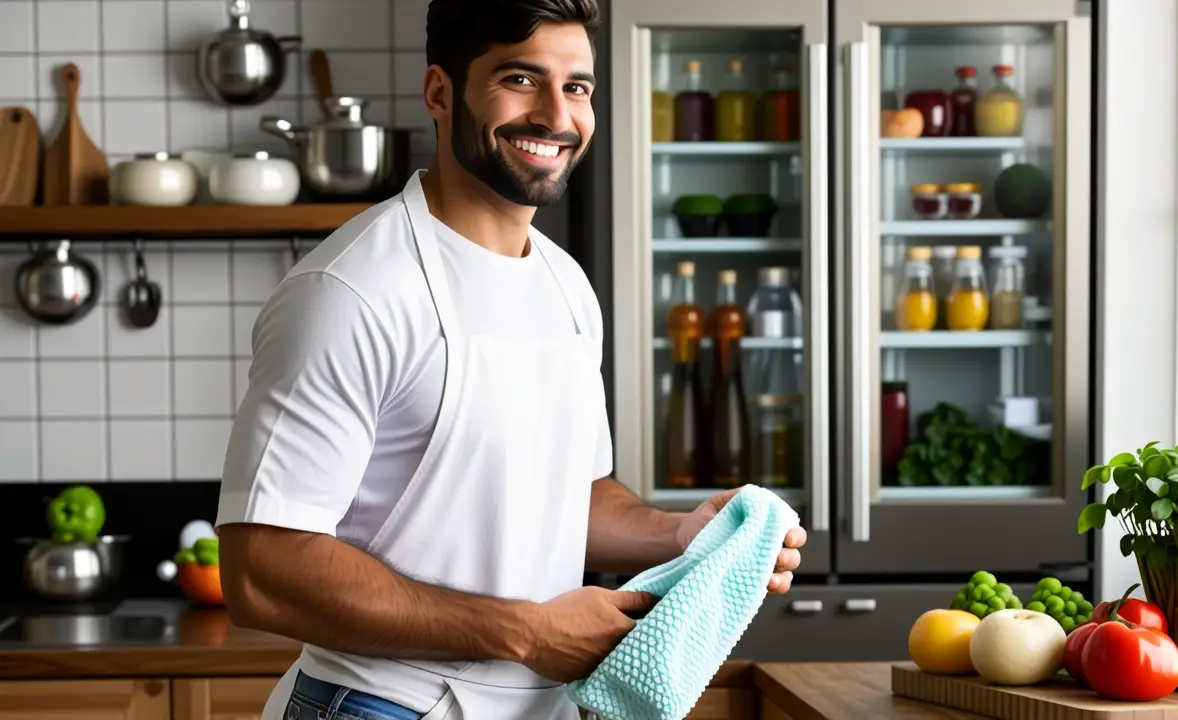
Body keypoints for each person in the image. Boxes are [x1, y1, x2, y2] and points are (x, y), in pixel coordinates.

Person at [213, 0, 806, 717]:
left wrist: (681, 531)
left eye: (578, 87)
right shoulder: (350, 292)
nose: (556, 115)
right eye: (521, 79)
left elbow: (571, 493)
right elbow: (264, 573)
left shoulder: (565, 284)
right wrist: (524, 633)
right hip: (384, 703)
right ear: (440, 92)